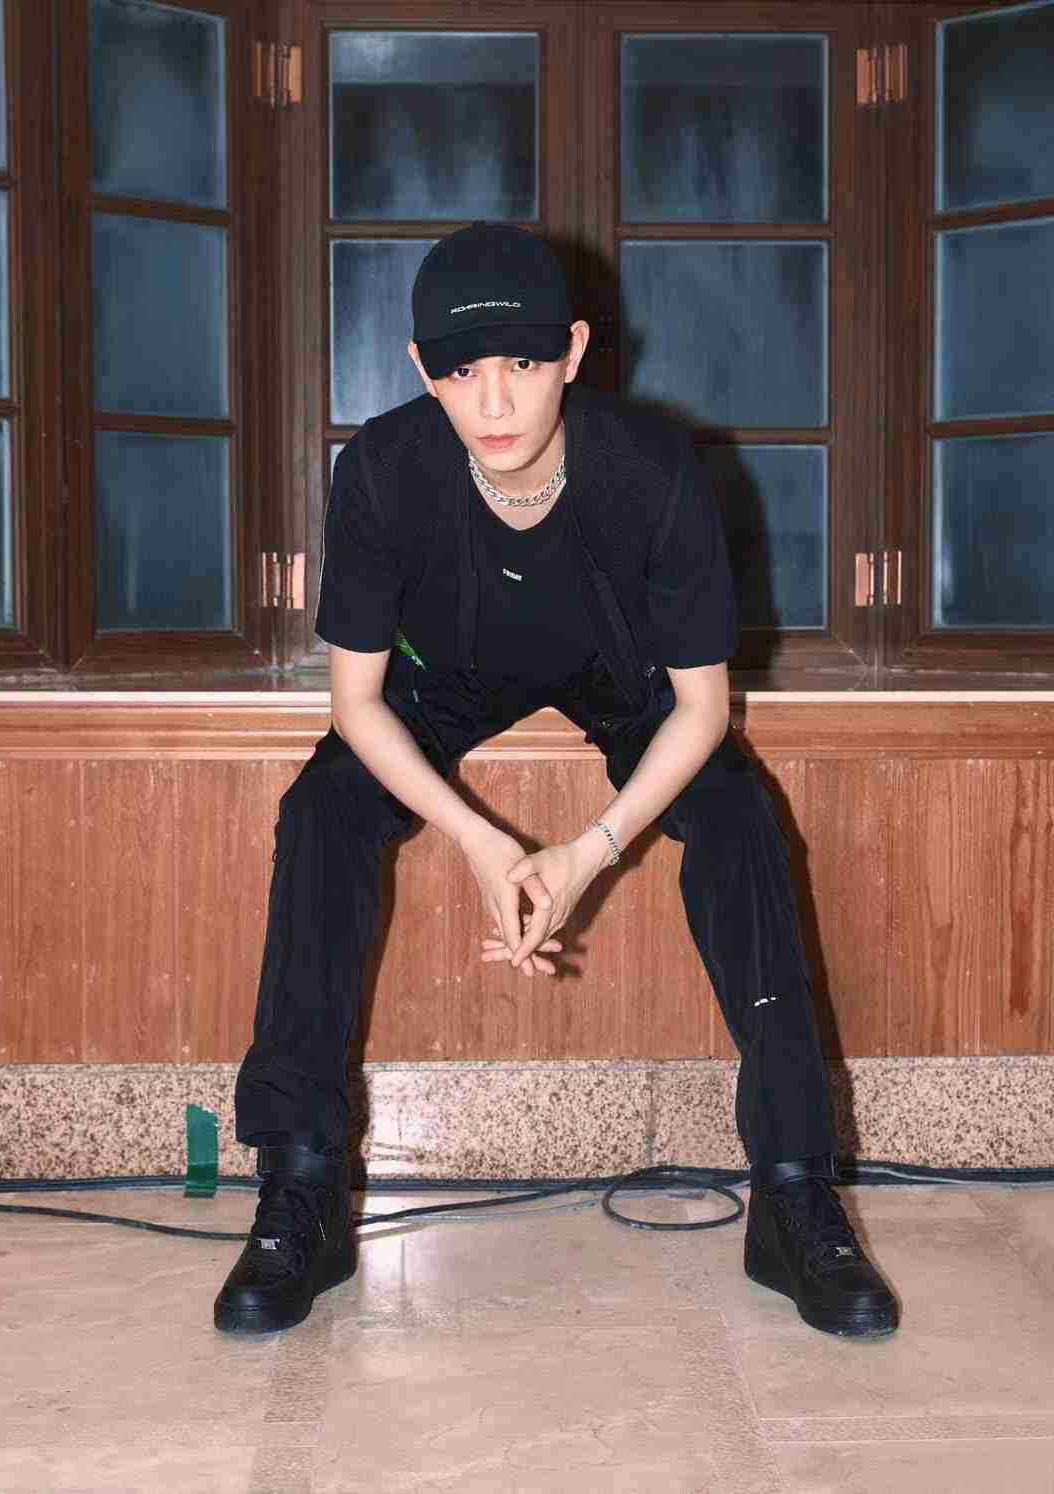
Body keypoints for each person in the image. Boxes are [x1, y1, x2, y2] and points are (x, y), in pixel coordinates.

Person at [214, 222, 900, 1341]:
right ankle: (301, 1187)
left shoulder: (653, 469)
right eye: (461, 372)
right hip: (442, 675)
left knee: (739, 813)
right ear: (421, 368)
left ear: (574, 352)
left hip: (619, 670)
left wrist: (592, 850)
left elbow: (703, 709)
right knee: (323, 808)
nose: (493, 402)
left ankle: (793, 1191)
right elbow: (356, 705)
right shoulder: (381, 469)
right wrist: (482, 839)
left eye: (523, 364)